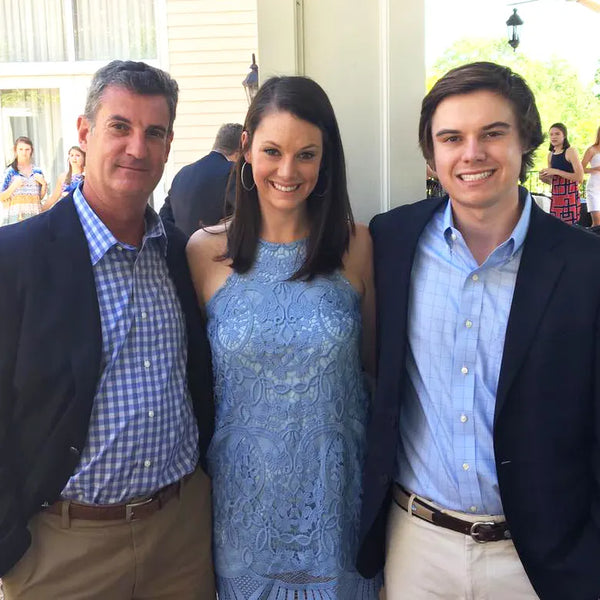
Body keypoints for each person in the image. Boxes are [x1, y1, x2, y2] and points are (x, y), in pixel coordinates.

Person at [357, 61, 600, 600]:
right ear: (432, 154)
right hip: (416, 548)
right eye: (452, 138)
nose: (472, 153)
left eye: (493, 133)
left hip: (540, 562)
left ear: (525, 141)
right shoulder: (392, 240)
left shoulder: (587, 266)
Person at [0, 60, 215, 599]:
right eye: (120, 126)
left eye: (154, 132)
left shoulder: (180, 254)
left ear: (168, 147)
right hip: (64, 551)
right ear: (85, 132)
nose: (137, 148)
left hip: (180, 539)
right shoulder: (17, 259)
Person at [187, 76, 381, 599]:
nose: (288, 171)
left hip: (337, 515)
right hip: (240, 517)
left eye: (306, 154)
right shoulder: (203, 252)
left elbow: (373, 372)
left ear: (325, 160)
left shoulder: (357, 245)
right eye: (272, 151)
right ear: (245, 148)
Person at [159, 123, 242, 237]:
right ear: (238, 154)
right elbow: (245, 217)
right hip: (215, 251)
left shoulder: (182, 174)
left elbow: (164, 218)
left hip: (181, 251)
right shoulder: (233, 172)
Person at [540, 122, 583, 224]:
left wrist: (556, 171)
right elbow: (552, 182)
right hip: (556, 198)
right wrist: (543, 177)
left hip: (570, 197)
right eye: (551, 134)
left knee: (569, 230)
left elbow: (580, 177)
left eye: (557, 134)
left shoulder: (570, 151)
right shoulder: (550, 155)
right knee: (556, 229)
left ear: (564, 135)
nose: (553, 137)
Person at [0, 136, 47, 226]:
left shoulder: (37, 171)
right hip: (15, 220)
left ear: (31, 151)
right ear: (15, 150)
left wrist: (44, 184)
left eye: (27, 149)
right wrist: (13, 186)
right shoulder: (10, 172)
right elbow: (1, 197)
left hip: (34, 219)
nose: (24, 153)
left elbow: (39, 197)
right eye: (20, 149)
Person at [581, 126, 600, 226]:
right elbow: (581, 169)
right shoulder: (592, 150)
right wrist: (595, 169)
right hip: (594, 189)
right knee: (597, 223)